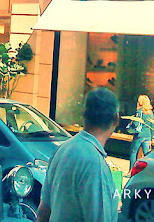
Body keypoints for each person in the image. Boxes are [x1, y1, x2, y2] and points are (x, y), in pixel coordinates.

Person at [37, 87, 119, 222]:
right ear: (116, 119)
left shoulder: (62, 150)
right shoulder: (95, 165)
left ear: (83, 115)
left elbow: (43, 211)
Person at [129, 95, 154, 169]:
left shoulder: (139, 112)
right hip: (148, 136)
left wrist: (132, 121)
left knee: (134, 153)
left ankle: (131, 170)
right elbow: (152, 126)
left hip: (139, 135)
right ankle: (147, 170)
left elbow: (136, 124)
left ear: (140, 102)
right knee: (146, 155)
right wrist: (151, 138)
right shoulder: (151, 112)